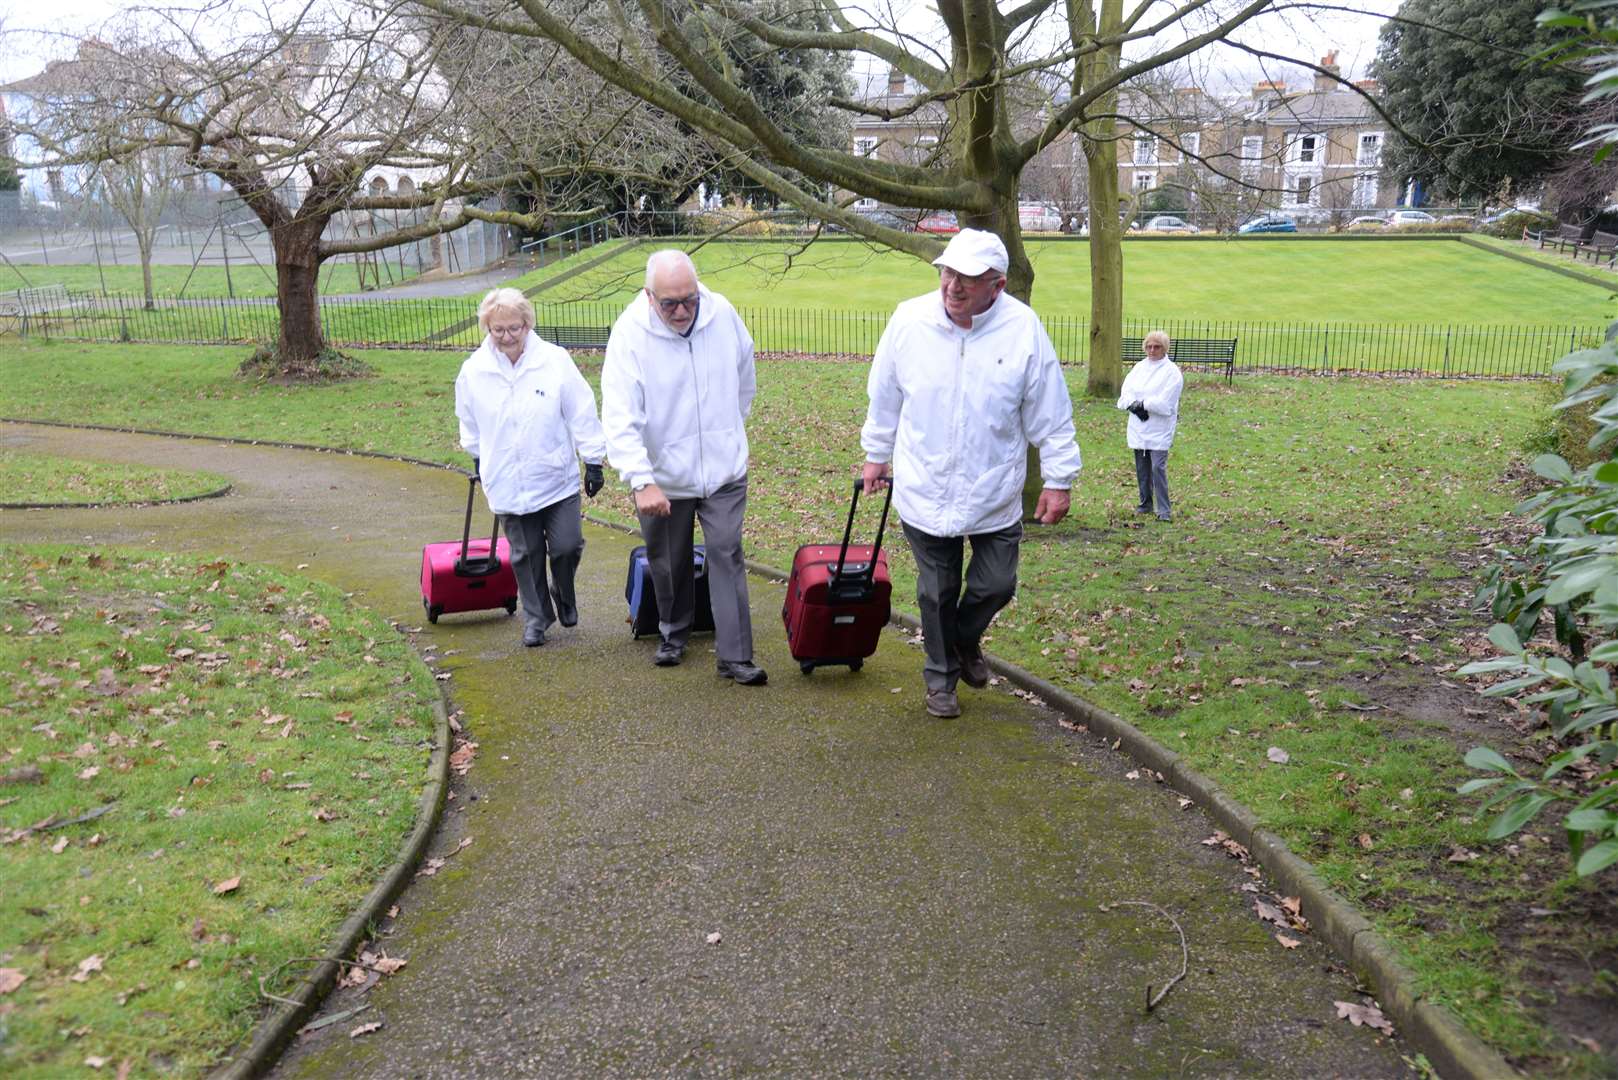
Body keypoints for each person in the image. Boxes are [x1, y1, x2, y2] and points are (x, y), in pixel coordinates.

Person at [861, 228, 1083, 719]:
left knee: (997, 584)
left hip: (994, 489)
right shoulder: (909, 321)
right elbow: (885, 395)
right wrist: (876, 454)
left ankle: (962, 641)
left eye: (967, 278)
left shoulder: (1022, 330)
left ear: (997, 287)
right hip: (926, 482)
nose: (953, 286)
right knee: (935, 590)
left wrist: (1059, 478)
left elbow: (1051, 411)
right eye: (947, 272)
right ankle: (940, 679)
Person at [601, 250, 767, 686]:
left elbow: (744, 376)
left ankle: (735, 656)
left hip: (723, 472)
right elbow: (619, 416)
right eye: (669, 302)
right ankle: (674, 632)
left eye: (689, 300)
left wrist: (727, 431)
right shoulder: (629, 335)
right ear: (648, 296)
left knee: (726, 554)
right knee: (670, 561)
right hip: (662, 478)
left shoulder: (723, 315)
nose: (681, 311)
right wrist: (641, 480)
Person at [455, 287, 607, 648]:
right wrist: (477, 455)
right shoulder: (474, 371)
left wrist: (594, 461)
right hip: (507, 478)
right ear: (487, 329)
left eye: (514, 328)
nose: (507, 337)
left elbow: (581, 409)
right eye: (498, 330)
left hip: (555, 477)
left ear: (527, 324)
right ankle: (537, 619)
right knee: (525, 554)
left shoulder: (554, 361)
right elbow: (468, 419)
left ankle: (564, 591)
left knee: (567, 546)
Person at [1117, 329, 1183, 522]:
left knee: (1157, 467)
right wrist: (1134, 405)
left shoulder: (1172, 373)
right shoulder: (1139, 368)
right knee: (1142, 468)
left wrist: (1144, 404)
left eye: (1157, 347)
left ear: (1164, 349)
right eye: (1149, 346)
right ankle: (1145, 503)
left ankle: (1164, 510)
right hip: (1139, 424)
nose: (1152, 350)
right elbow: (1126, 393)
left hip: (1159, 427)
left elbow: (1166, 403)